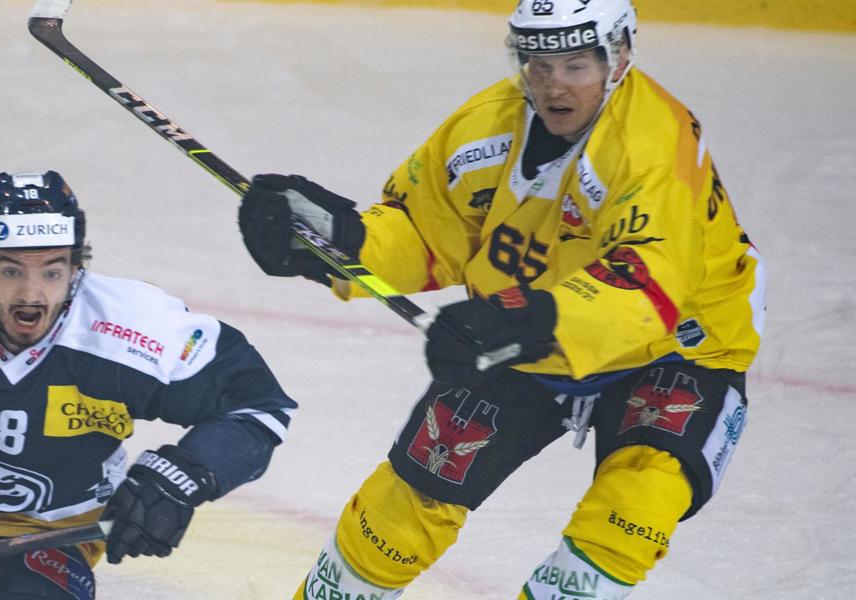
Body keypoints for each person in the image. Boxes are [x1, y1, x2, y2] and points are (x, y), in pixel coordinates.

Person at [237, 0, 765, 597]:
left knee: (634, 507)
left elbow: (646, 286)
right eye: (539, 64)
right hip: (526, 325)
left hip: (677, 345)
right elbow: (427, 230)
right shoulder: (487, 127)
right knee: (408, 501)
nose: (553, 85)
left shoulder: (654, 145)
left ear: (618, 57)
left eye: (575, 64)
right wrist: (343, 242)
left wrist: (522, 318)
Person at [0, 170, 297, 600]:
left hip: (44, 536)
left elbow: (255, 403)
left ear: (76, 268)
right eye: (11, 270)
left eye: (52, 271)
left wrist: (181, 478)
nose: (30, 295)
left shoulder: (133, 329)